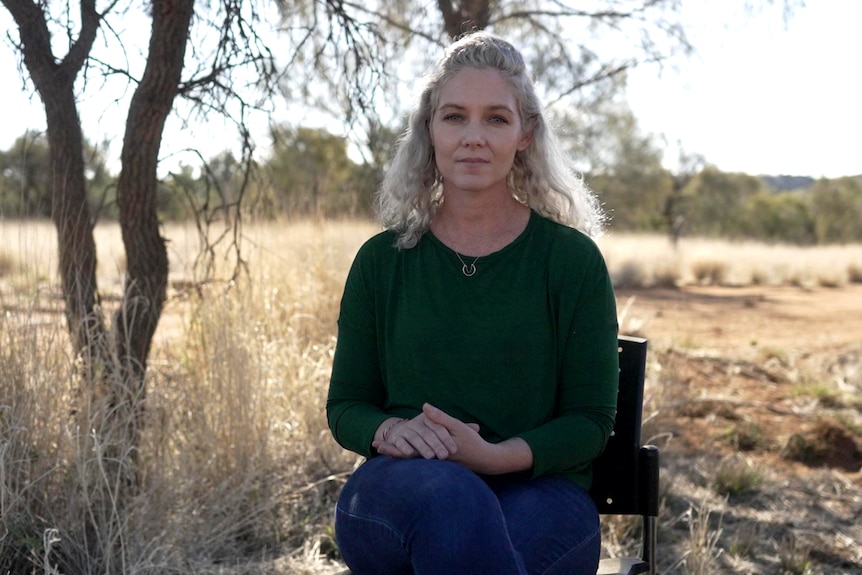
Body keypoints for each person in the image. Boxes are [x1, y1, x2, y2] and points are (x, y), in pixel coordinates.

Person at [326, 30, 619, 575]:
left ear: (525, 133)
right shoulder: (382, 261)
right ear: (430, 130)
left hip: (541, 492)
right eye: (455, 116)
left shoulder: (571, 262)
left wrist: (493, 456)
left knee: (480, 542)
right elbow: (346, 406)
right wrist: (388, 431)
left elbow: (590, 421)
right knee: (450, 499)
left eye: (496, 118)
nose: (473, 137)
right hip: (402, 488)